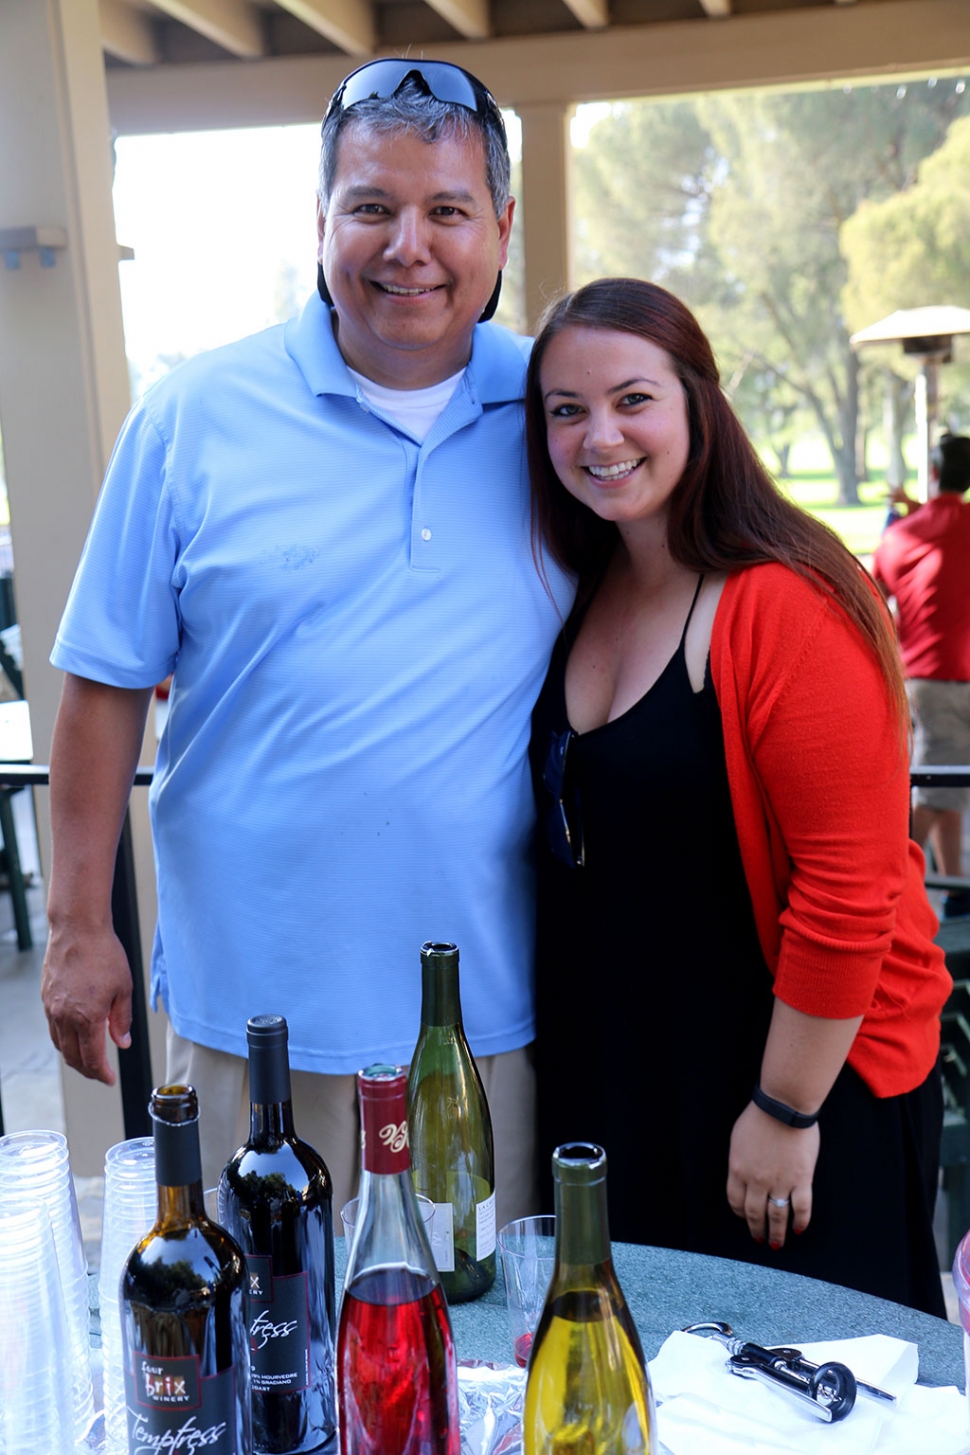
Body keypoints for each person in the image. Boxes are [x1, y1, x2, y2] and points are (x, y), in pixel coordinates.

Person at [41, 59, 572, 1220]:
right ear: (321, 221)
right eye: (371, 207)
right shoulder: (192, 416)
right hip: (252, 1023)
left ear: (502, 226)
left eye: (447, 210)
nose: (408, 247)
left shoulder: (561, 416)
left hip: (486, 1030)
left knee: (473, 1365)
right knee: (266, 1368)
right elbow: (99, 687)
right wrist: (79, 927)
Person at [526, 278, 950, 1315]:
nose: (598, 436)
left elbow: (850, 888)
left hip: (788, 1095)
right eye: (565, 411)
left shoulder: (785, 600)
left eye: (633, 400)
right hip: (633, 1084)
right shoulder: (590, 584)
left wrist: (782, 1108)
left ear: (697, 407)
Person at [873, 435, 970, 917]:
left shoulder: (905, 534)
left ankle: (894, 889)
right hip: (955, 679)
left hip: (930, 680)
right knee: (946, 785)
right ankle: (945, 889)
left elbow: (876, 592)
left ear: (933, 472)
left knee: (939, 788)